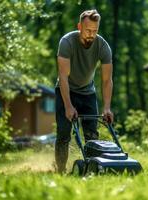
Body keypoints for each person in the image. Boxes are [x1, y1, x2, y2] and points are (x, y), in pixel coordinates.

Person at [55, 9, 114, 174]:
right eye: (88, 30)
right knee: (64, 134)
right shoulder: (67, 42)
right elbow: (63, 77)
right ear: (79, 26)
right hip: (66, 90)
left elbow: (107, 80)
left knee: (92, 135)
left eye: (95, 31)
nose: (91, 35)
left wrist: (107, 107)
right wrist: (68, 106)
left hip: (88, 92)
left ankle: (92, 170)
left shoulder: (103, 46)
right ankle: (60, 171)